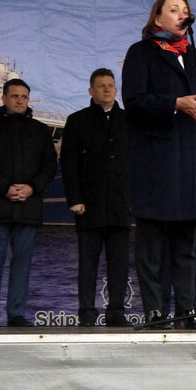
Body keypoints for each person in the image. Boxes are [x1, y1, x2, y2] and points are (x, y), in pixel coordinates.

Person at [121, 0, 196, 329]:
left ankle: (188, 309)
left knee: (188, 244)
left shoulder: (195, 56)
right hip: (156, 161)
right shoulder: (141, 53)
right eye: (174, 9)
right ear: (157, 19)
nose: (182, 14)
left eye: (186, 10)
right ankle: (154, 310)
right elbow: (134, 101)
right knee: (152, 243)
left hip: (191, 160)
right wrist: (174, 103)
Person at [0, 78, 57, 327]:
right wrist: (5, 188)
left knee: (22, 263)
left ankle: (17, 314)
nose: (20, 101)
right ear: (4, 98)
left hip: (28, 206)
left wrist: (31, 188)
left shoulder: (41, 130)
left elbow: (49, 165)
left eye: (24, 97)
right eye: (15, 96)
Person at [60, 68, 131, 328]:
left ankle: (116, 313)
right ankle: (87, 314)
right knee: (88, 264)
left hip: (120, 205)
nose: (106, 89)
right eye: (101, 85)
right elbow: (69, 163)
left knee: (119, 266)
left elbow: (139, 164)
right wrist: (75, 199)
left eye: (110, 85)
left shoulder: (128, 120)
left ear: (116, 89)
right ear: (91, 90)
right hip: (88, 205)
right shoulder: (77, 120)